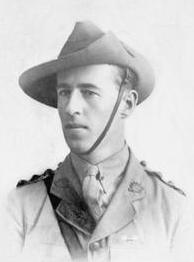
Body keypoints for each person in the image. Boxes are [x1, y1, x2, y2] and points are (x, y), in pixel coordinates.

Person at [3, 21, 193, 262]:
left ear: (127, 104)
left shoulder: (172, 210)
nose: (71, 108)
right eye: (64, 93)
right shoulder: (20, 209)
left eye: (89, 92)